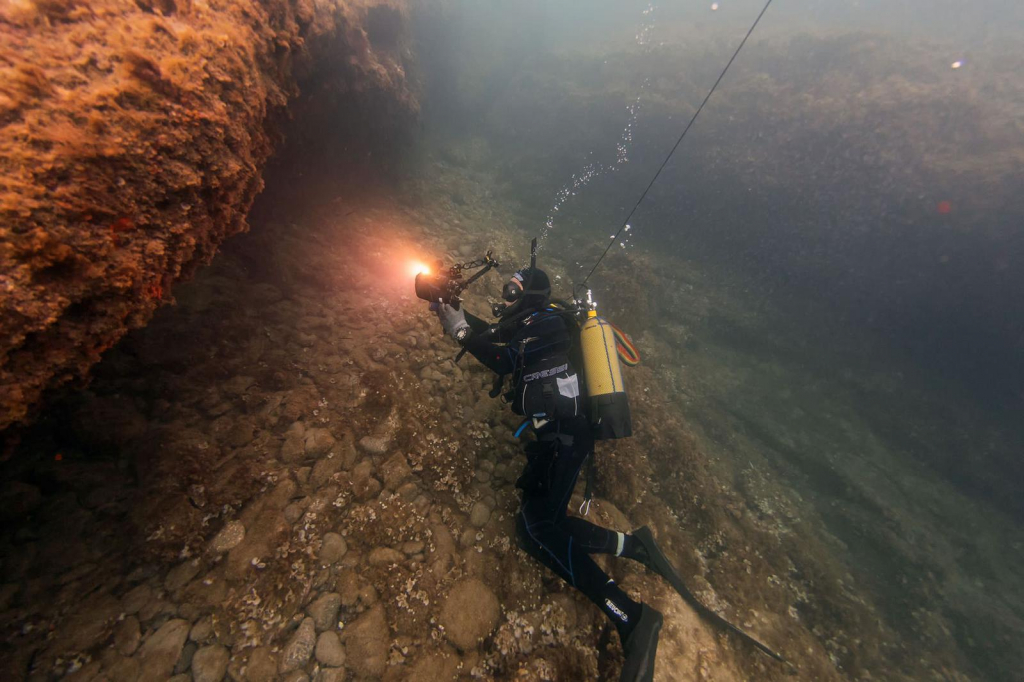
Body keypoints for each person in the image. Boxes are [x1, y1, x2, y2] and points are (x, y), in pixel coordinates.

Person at [431, 264, 663, 682]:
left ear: (530, 297)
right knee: (536, 528)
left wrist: (461, 332)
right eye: (507, 289)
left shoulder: (548, 325)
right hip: (557, 438)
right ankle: (634, 546)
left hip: (566, 440)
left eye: (512, 290)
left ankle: (631, 617)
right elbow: (502, 338)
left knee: (539, 528)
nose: (505, 297)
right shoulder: (536, 323)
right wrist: (457, 314)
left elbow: (503, 358)